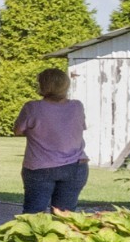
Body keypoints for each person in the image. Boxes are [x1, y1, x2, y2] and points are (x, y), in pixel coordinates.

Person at [13, 67, 88, 213]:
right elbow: (78, 128)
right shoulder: (77, 106)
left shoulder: (32, 107)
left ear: (43, 85)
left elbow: (17, 131)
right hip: (76, 166)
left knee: (33, 215)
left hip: (40, 167)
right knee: (65, 217)